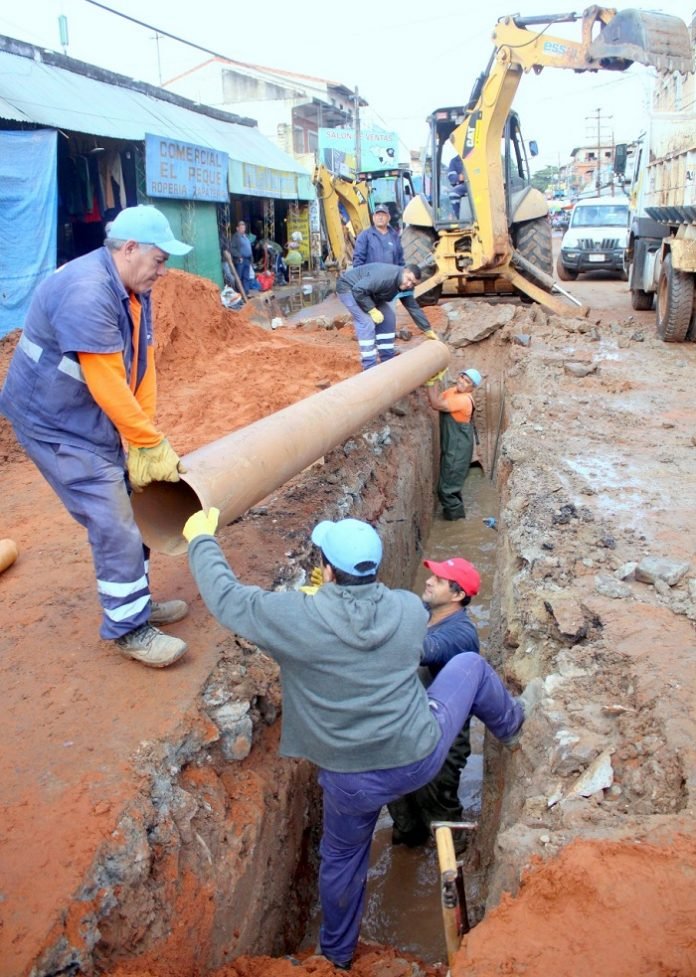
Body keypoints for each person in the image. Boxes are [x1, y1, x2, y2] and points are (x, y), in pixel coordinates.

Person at [183, 512, 526, 970]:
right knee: (472, 667)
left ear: (325, 571)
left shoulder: (295, 618)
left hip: (350, 780)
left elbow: (226, 598)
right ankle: (515, 728)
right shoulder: (408, 608)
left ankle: (337, 957)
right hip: (417, 754)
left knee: (342, 859)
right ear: (377, 566)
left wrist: (201, 538)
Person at [0, 205, 192, 668]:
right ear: (129, 249)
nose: (163, 272)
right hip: (52, 420)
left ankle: (137, 602)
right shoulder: (88, 292)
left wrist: (143, 439)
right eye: (160, 260)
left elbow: (140, 369)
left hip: (86, 412)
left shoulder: (131, 286)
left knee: (138, 494)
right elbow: (107, 381)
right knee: (111, 513)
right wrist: (146, 442)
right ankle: (129, 628)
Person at [388, 556, 481, 847]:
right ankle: (408, 848)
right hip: (406, 733)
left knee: (441, 819)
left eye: (439, 580)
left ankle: (455, 866)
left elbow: (418, 650)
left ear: (458, 595)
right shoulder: (427, 616)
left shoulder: (460, 634)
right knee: (403, 814)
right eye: (432, 576)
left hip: (440, 744)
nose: (428, 580)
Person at [335, 262, 439, 370]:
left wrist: (427, 329)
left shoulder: (406, 287)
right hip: (349, 288)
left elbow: (413, 307)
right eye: (408, 279)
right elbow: (358, 290)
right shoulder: (385, 278)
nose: (409, 284)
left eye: (413, 284)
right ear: (404, 271)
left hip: (370, 293)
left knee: (389, 319)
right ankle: (369, 366)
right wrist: (371, 309)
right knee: (366, 322)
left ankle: (387, 360)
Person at [426, 367, 482, 520]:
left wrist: (432, 380)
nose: (463, 382)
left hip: (458, 451)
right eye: (463, 377)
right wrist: (434, 380)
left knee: (446, 491)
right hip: (454, 445)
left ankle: (456, 523)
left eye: (468, 382)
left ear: (472, 388)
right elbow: (436, 400)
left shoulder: (463, 400)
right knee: (453, 486)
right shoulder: (452, 392)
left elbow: (436, 404)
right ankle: (458, 516)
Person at [229, 219, 254, 295]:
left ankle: (246, 292)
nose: (243, 228)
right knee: (239, 277)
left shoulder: (245, 236)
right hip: (241, 260)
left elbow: (248, 247)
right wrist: (239, 256)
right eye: (241, 226)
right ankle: (239, 293)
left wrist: (251, 258)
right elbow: (232, 248)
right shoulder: (236, 237)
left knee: (246, 277)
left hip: (247, 260)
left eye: (244, 226)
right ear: (237, 228)